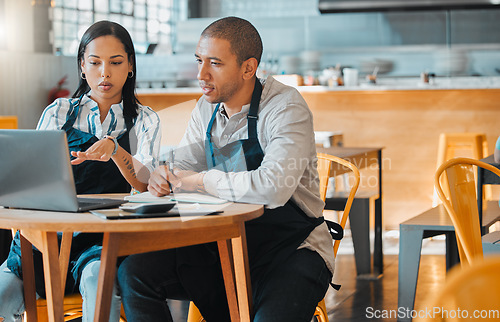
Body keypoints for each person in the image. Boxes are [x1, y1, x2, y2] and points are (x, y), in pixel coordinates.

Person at [117, 16, 334, 321]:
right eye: (199, 61)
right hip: (224, 245)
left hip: (291, 252)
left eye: (215, 63)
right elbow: (185, 164)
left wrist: (199, 181)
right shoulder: (206, 107)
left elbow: (272, 187)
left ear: (248, 68)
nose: (201, 74)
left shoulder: (285, 107)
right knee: (134, 272)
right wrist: (165, 176)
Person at [0, 20, 161, 322]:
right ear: (82, 66)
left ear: (130, 67)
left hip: (100, 244)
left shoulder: (144, 120)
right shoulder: (58, 112)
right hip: (44, 242)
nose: (104, 73)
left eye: (115, 62)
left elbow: (144, 183)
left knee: (98, 281)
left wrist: (115, 150)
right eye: (95, 62)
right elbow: (30, 179)